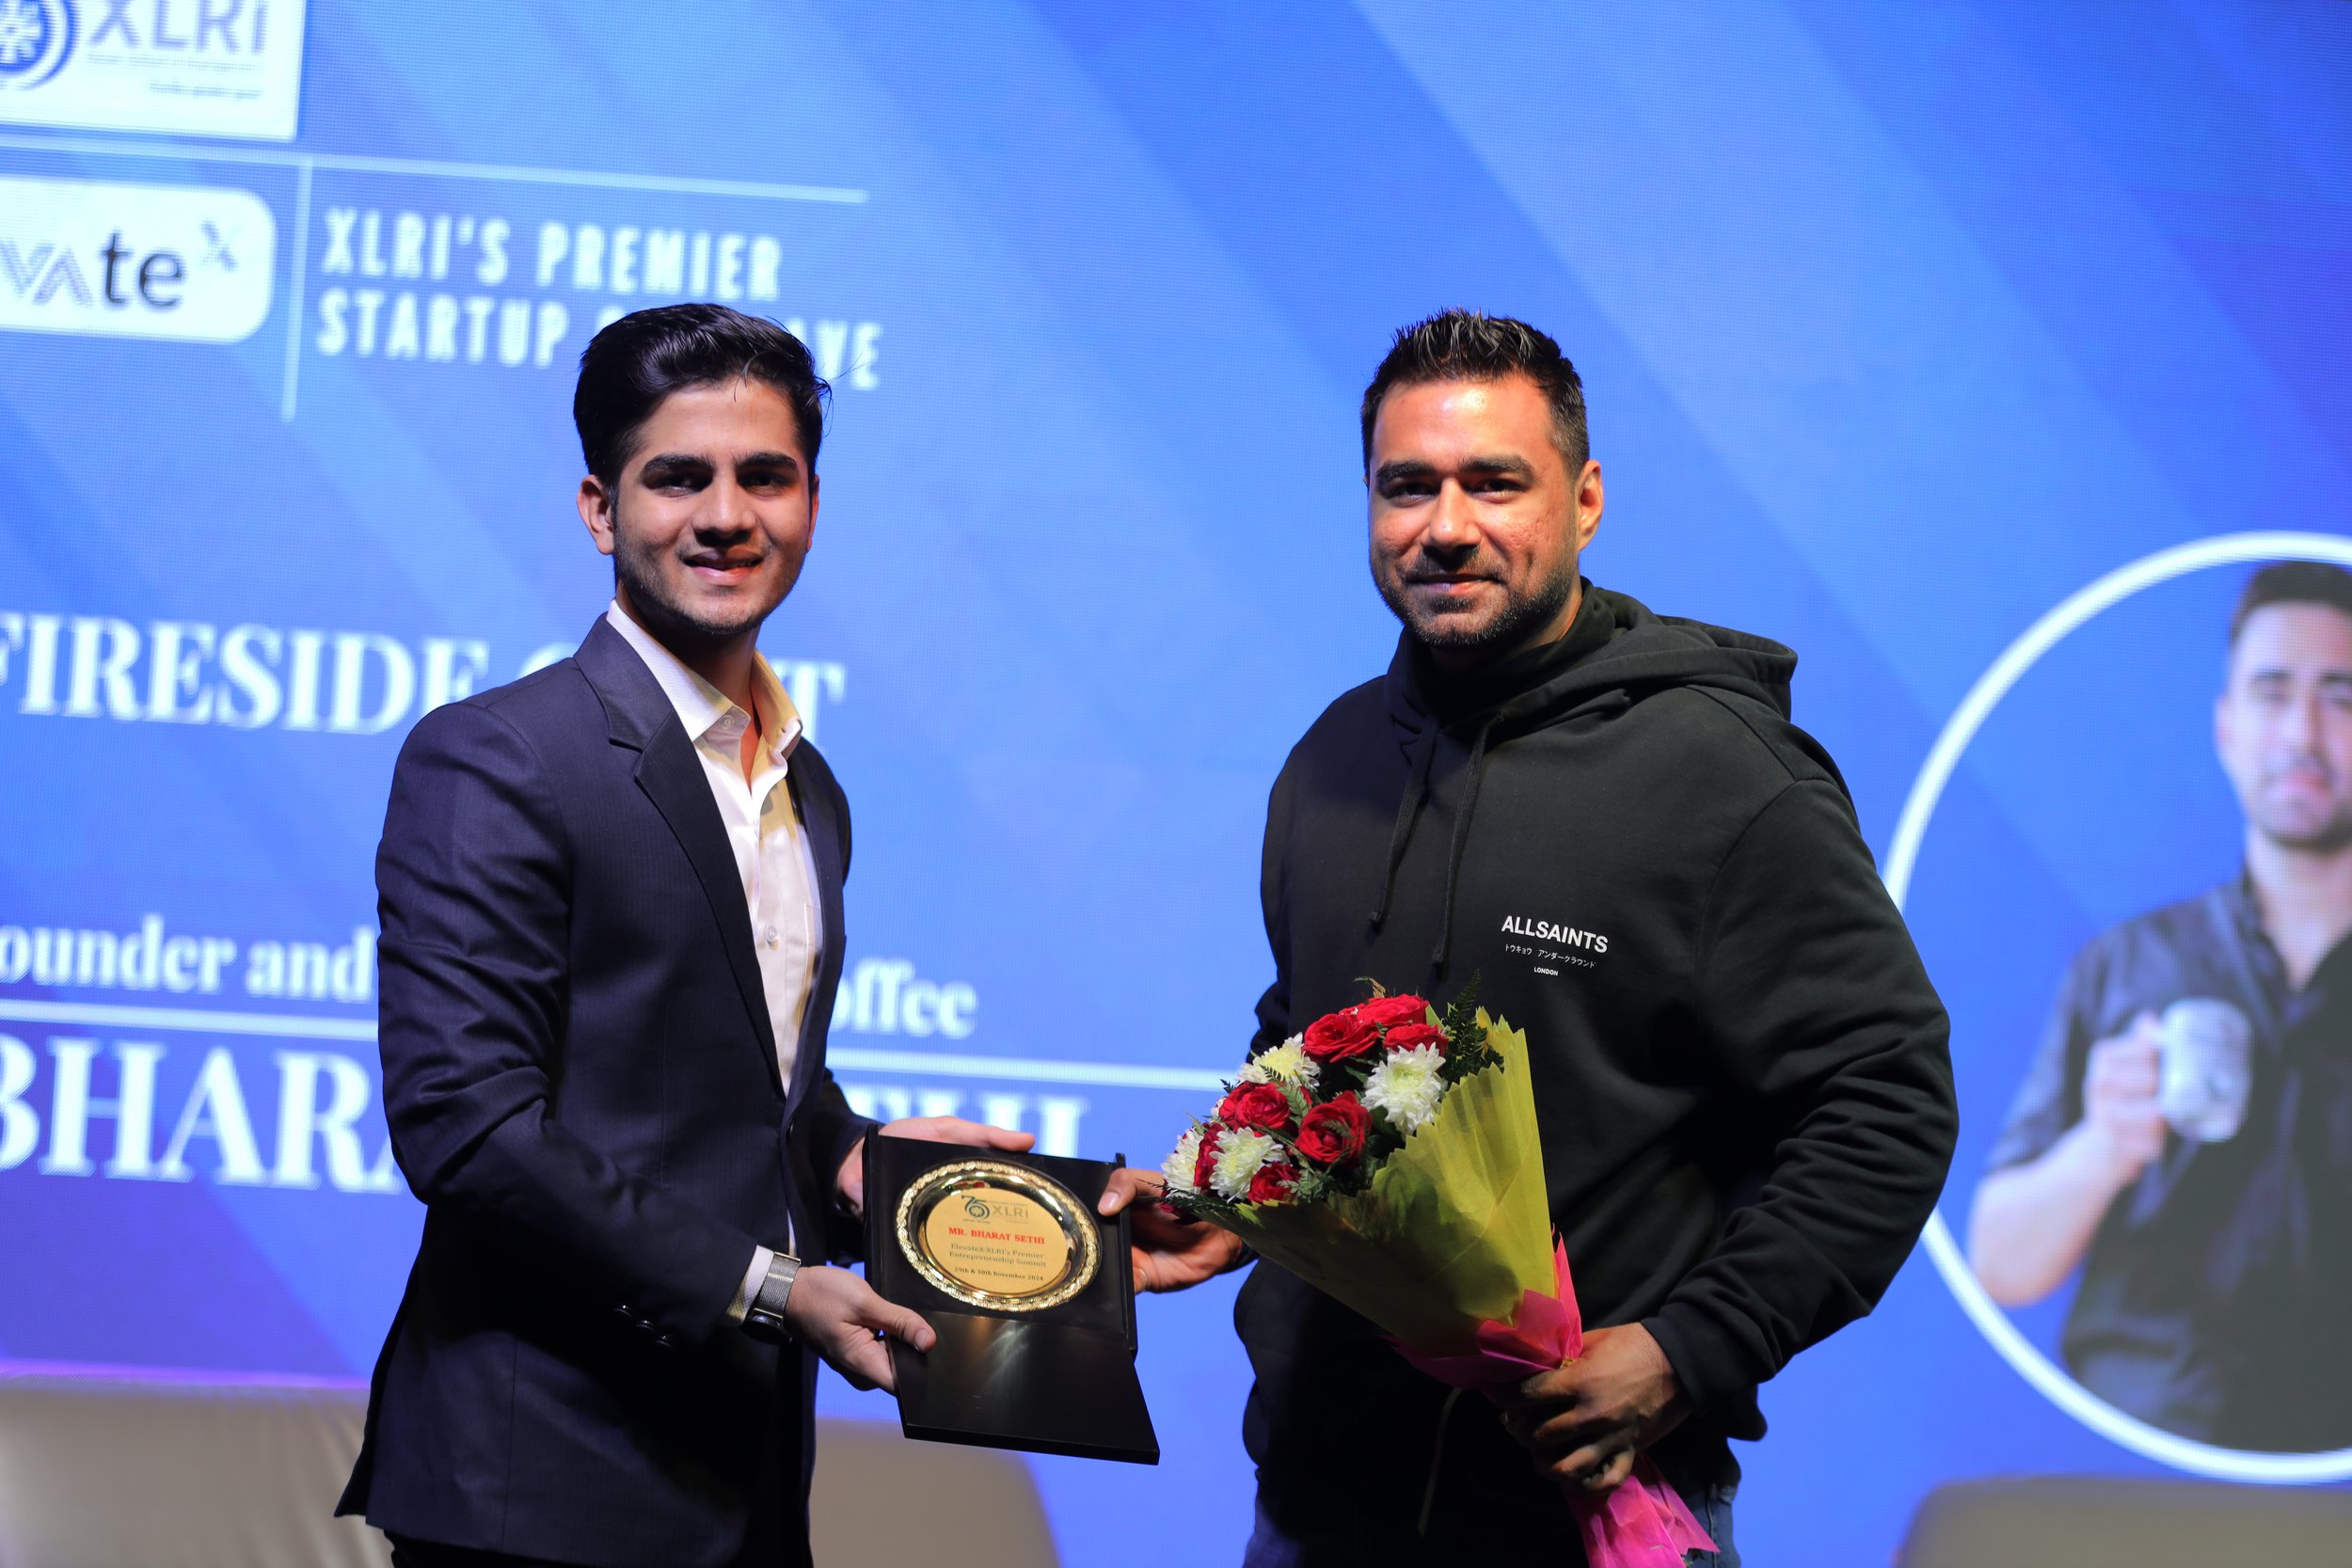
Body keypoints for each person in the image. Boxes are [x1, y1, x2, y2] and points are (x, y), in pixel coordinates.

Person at [1101, 310, 1957, 1564]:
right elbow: (1311, 1043)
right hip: (1315, 1504)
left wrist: (1689, 1346)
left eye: (1495, 480)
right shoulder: (1330, 760)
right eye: (1408, 486)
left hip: (1595, 1509)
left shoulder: (1720, 773)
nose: (1447, 525)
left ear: (1587, 497)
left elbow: (1885, 1098)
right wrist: (1240, 1197)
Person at [337, 303, 1030, 1568]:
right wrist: (772, 1282)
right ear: (601, 507)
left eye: (765, 475)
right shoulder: (498, 757)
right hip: (535, 1477)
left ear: (813, 502)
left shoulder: (808, 786)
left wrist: (860, 1161)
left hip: (743, 1469)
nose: (725, 513)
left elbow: (740, 1087)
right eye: (679, 477)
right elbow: (469, 1125)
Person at [1967, 562, 2352, 1452]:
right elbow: (2003, 1260)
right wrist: (2104, 1146)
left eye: (2342, 695)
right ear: (2227, 727)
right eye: (2271, 691)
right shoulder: (2127, 966)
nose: (2303, 730)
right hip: (2138, 1461)